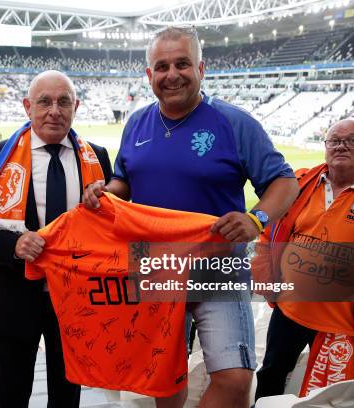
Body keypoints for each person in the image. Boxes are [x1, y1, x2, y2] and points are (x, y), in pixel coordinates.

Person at [83, 27, 298, 408]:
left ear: (201, 67)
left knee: (235, 381)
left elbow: (283, 180)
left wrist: (257, 218)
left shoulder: (233, 122)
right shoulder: (136, 123)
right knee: (164, 380)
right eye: (161, 66)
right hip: (155, 265)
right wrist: (106, 191)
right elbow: (124, 180)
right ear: (149, 76)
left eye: (182, 63)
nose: (172, 74)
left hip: (219, 264)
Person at [0, 70, 112, 408]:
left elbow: (115, 225)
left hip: (75, 303)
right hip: (15, 302)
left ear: (76, 107)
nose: (54, 110)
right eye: (44, 102)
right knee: (11, 400)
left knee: (67, 399)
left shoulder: (97, 158)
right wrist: (12, 246)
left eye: (63, 102)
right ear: (28, 106)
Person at [254, 119, 354, 400]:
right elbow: (270, 232)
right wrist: (263, 275)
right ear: (325, 147)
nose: (341, 146)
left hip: (341, 322)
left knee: (328, 395)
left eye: (352, 140)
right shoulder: (299, 182)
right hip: (289, 309)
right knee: (271, 372)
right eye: (334, 140)